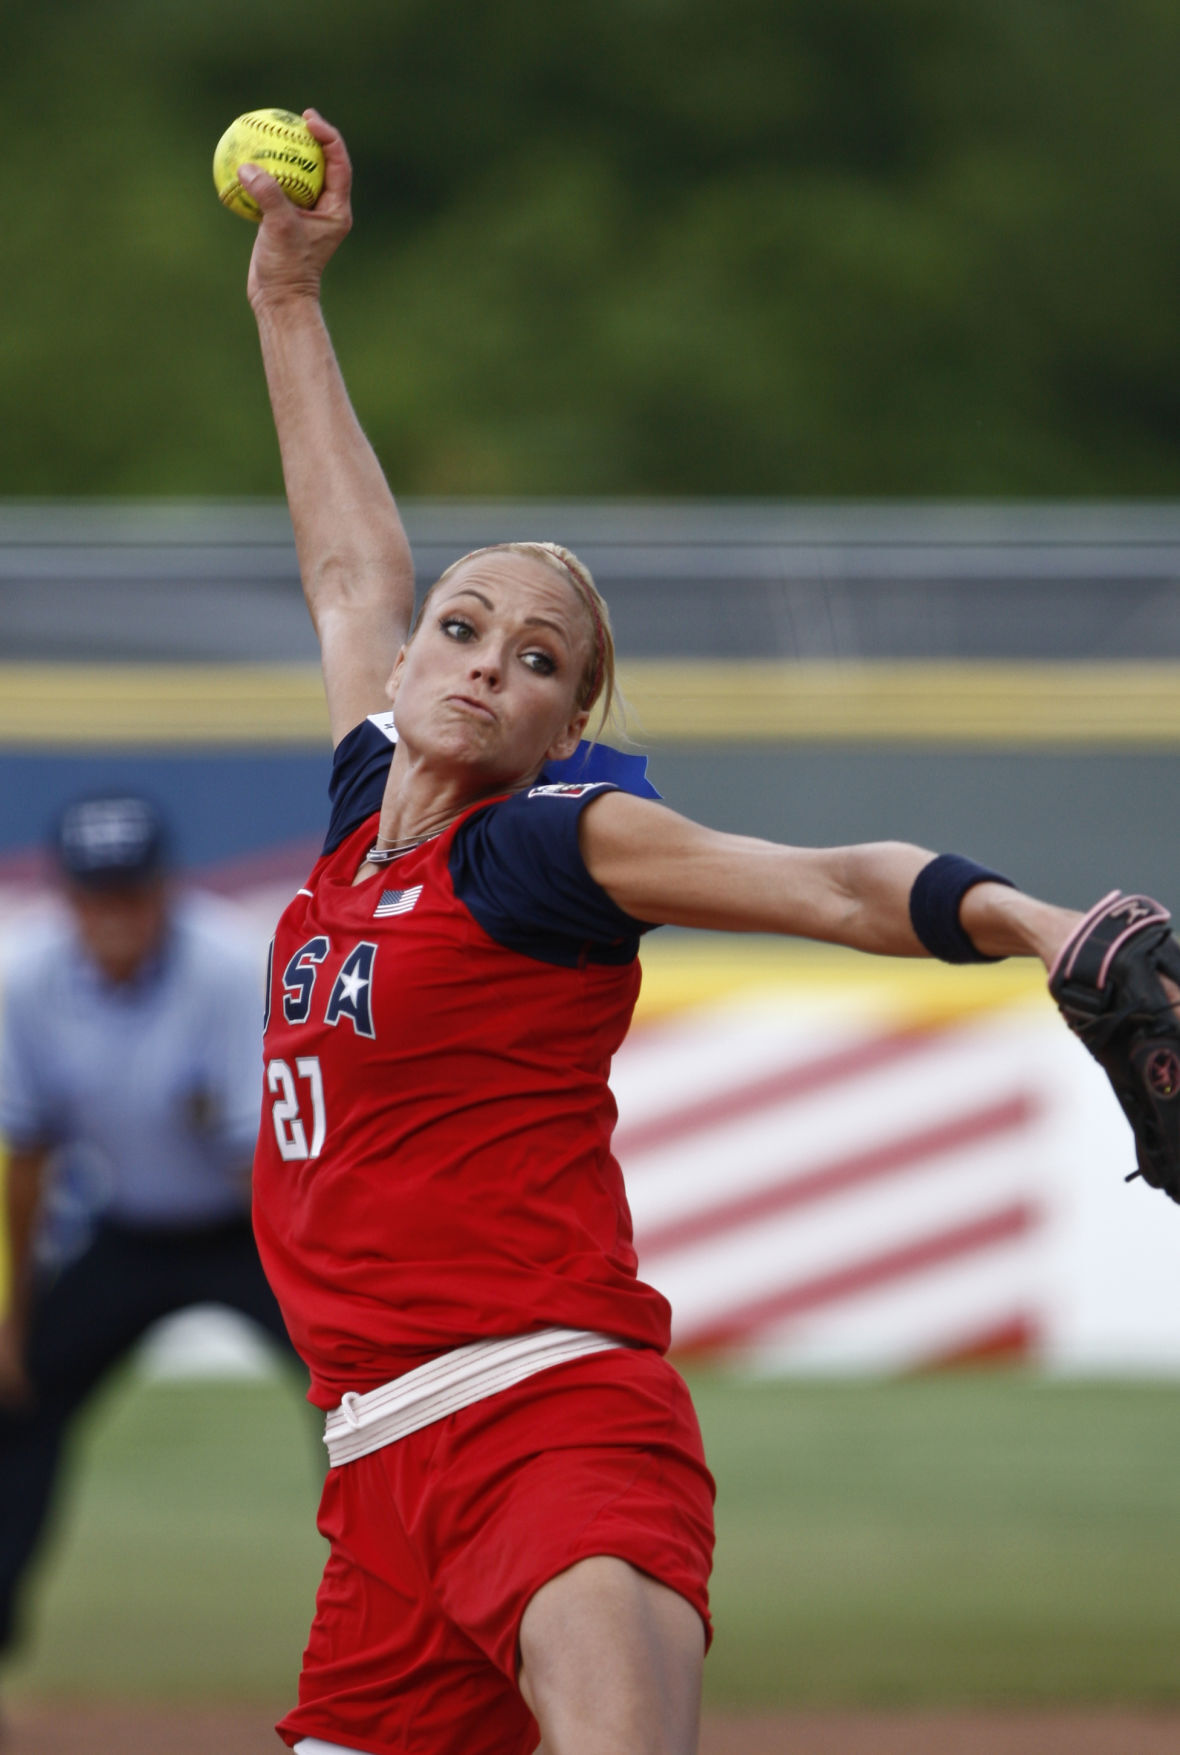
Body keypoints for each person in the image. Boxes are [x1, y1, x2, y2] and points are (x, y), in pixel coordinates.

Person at [239, 116, 1096, 1755]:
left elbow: (839, 885)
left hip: (546, 1426)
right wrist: (288, 293)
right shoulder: (363, 814)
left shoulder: (547, 847)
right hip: (376, 1478)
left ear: (568, 731)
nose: (490, 660)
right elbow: (349, 562)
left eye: (543, 659)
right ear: (415, 658)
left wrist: (1049, 929)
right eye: (466, 626)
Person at [0, 792, 303, 1663]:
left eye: (130, 892)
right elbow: (28, 1156)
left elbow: (264, 1161)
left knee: (356, 1404)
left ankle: (402, 1645)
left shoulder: (222, 963)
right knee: (15, 1404)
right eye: (96, 896)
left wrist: (331, 1304)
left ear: (165, 889)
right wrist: (17, 1316)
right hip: (126, 1227)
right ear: (67, 898)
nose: (115, 916)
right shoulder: (31, 977)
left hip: (253, 1228)